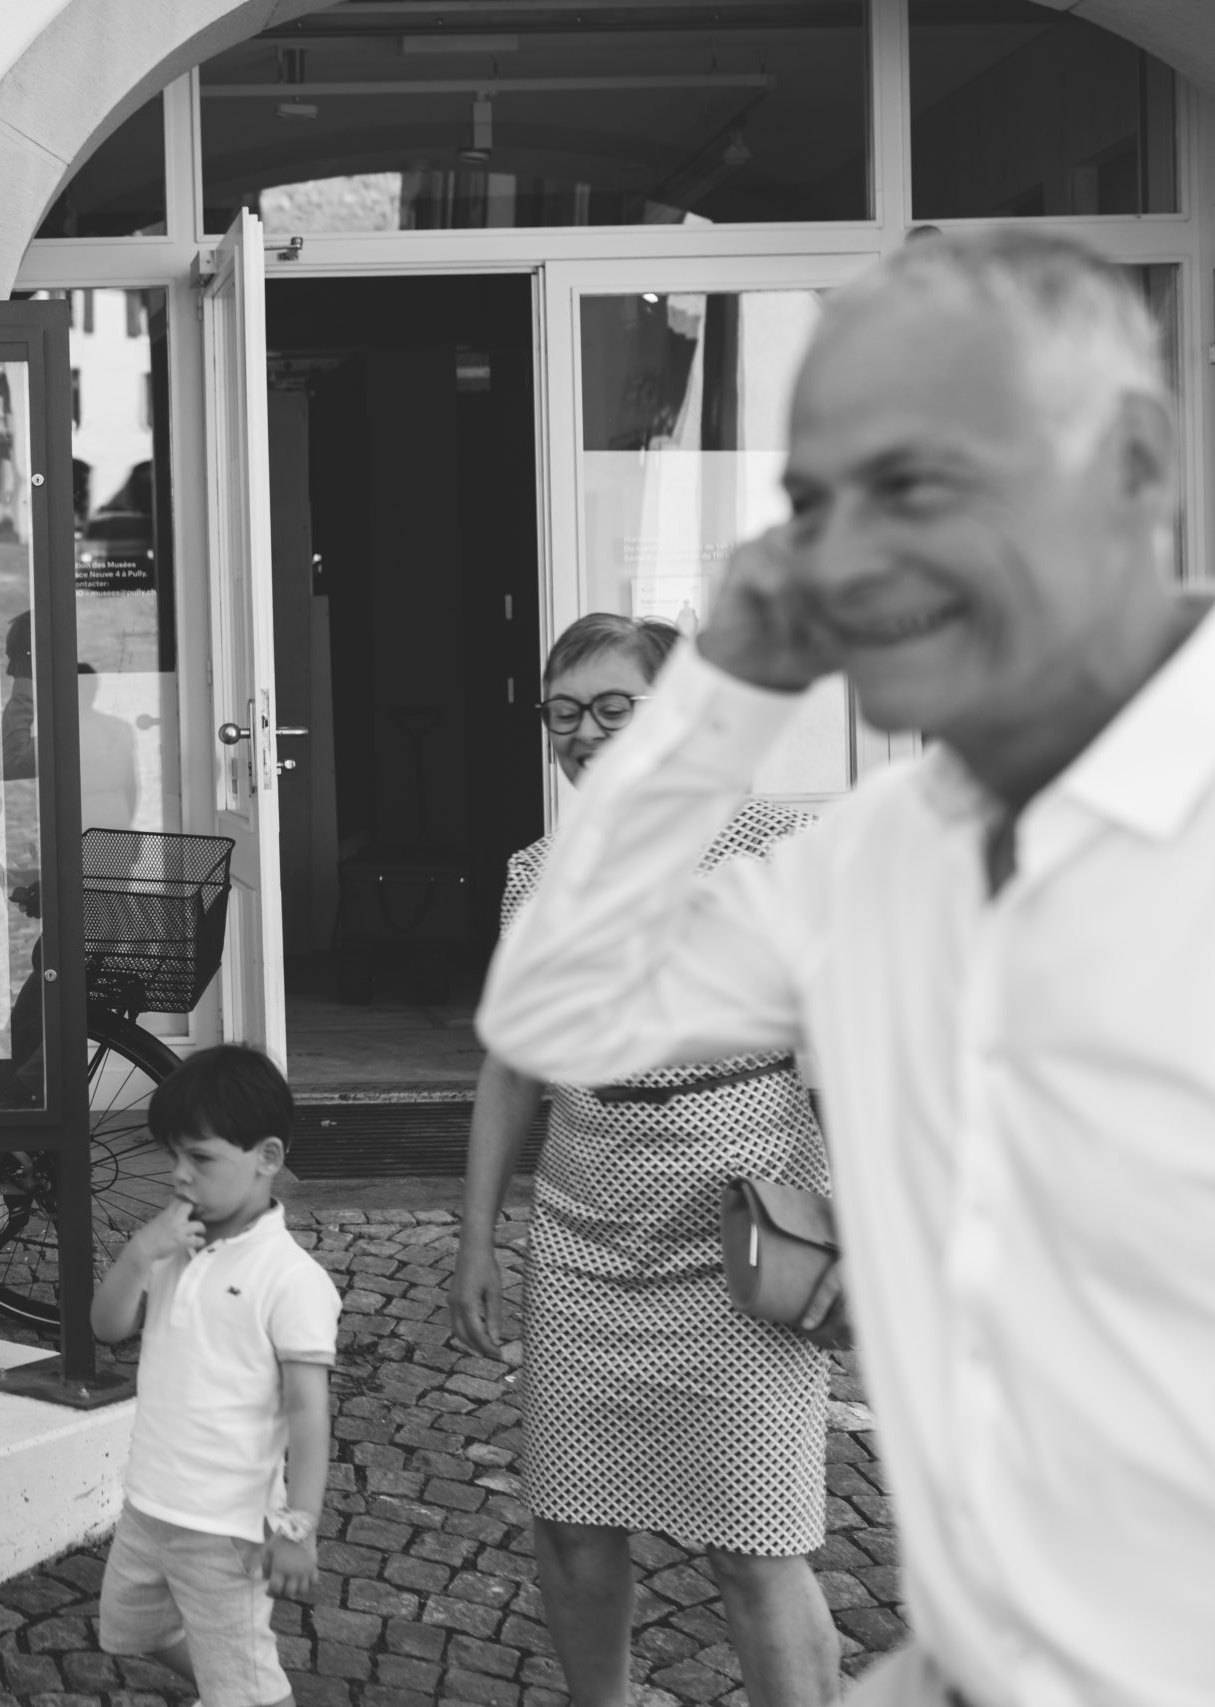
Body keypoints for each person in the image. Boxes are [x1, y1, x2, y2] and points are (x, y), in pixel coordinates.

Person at [479, 229, 1215, 1707]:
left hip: (773, 1259)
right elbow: (541, 1028)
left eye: (921, 487)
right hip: (608, 1243)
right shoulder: (848, 848)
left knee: (763, 1557)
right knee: (600, 1539)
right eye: (818, 506)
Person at [451, 613, 838, 1707]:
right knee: (573, 1524)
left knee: (755, 1541)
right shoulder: (534, 875)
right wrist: (476, 1238)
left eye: (615, 708)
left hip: (747, 1236)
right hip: (583, 1242)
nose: (584, 733)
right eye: (563, 712)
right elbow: (510, 1068)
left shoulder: (774, 848)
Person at [90, 1046, 339, 1707]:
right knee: (131, 1629)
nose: (179, 1174)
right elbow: (107, 1326)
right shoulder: (174, 1245)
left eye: (200, 1158)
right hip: (149, 1503)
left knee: (245, 1677)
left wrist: (299, 1526)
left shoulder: (291, 1279)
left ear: (267, 1157)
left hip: (226, 1526)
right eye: (173, 1155)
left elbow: (309, 1413)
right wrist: (140, 1252)